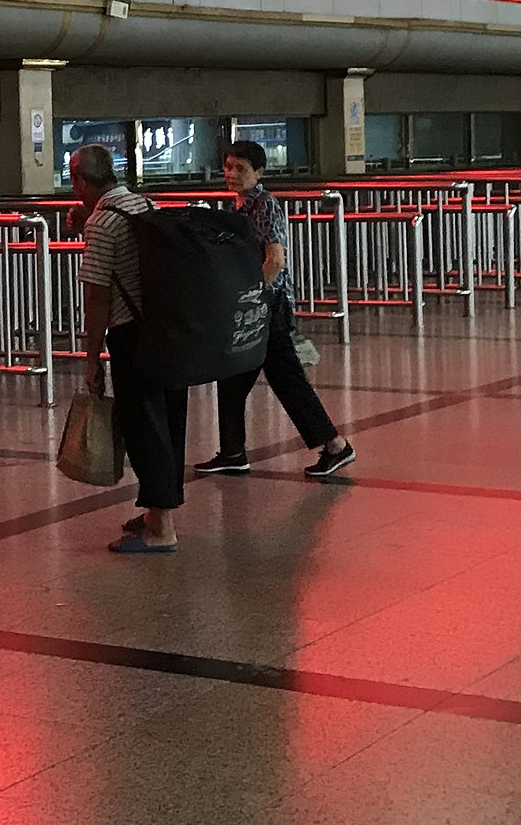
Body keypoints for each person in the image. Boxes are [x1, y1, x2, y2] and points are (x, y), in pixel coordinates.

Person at [194, 141, 353, 483]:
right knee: (235, 378)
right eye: (229, 167)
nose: (232, 174)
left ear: (259, 173)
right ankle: (233, 452)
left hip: (268, 309)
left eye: (241, 169)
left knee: (285, 379)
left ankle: (335, 445)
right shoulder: (240, 208)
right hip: (258, 309)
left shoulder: (263, 206)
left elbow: (275, 258)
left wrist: (254, 296)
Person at [71, 143, 185, 555]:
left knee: (143, 429)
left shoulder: (103, 223)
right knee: (168, 424)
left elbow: (98, 298)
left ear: (79, 180)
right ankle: (159, 511)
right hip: (167, 332)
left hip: (132, 335)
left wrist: (91, 359)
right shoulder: (144, 205)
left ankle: (162, 529)